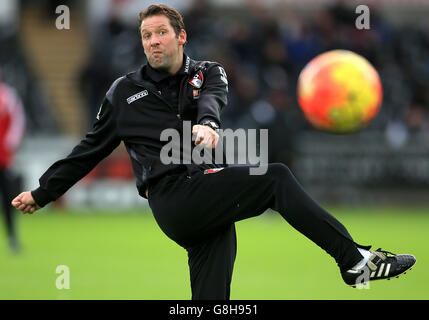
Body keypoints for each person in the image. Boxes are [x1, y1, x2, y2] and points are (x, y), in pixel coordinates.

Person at [12, 5, 416, 299]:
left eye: (161, 33)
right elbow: (88, 150)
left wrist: (208, 125)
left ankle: (354, 262)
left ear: (181, 36)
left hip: (206, 196)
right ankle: (354, 261)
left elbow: (211, 101)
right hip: (173, 199)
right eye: (146, 36)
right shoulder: (123, 93)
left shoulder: (209, 71)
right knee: (274, 176)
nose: (153, 41)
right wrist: (42, 192)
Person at [0, 69, 26, 253]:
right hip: (5, 155)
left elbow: (17, 123)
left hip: (3, 157)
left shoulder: (8, 96)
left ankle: (12, 238)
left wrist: (9, 149)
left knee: (8, 199)